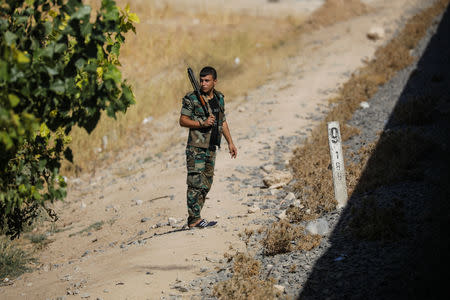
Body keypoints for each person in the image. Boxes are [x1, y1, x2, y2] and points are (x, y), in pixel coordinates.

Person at [179, 66, 237, 228]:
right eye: (201, 80)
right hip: (196, 147)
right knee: (195, 183)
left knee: (206, 183)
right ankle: (194, 219)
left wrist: (230, 142)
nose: (203, 84)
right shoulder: (192, 98)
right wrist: (201, 123)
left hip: (211, 146)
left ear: (215, 81)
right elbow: (183, 120)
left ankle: (196, 216)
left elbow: (222, 121)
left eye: (207, 81)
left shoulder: (219, 98)